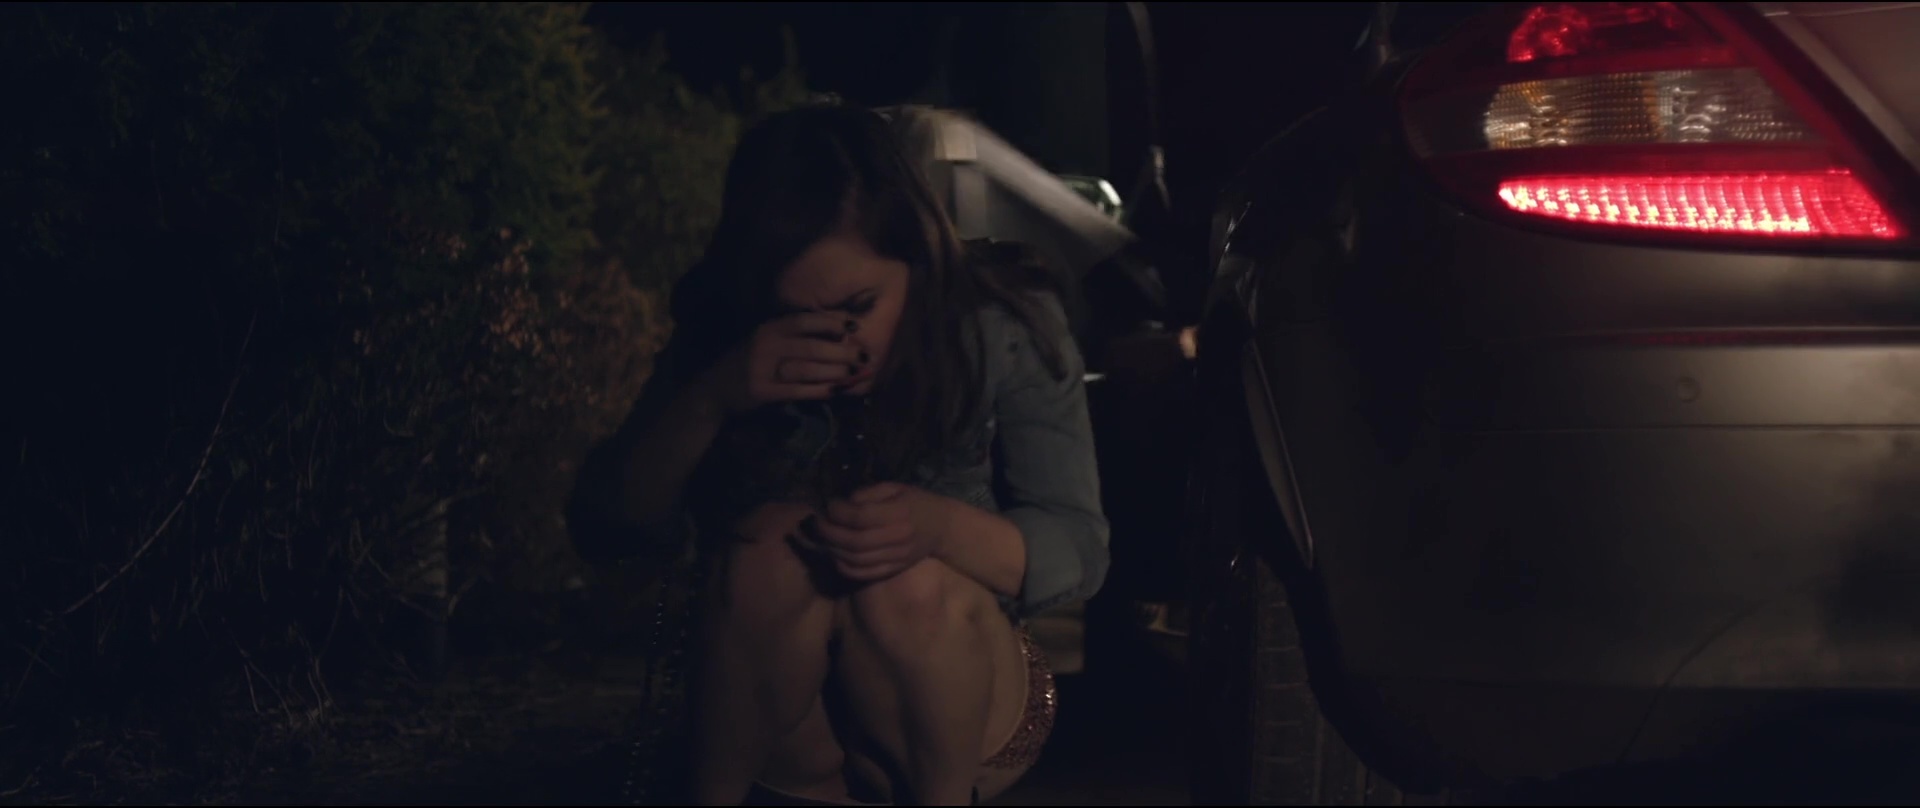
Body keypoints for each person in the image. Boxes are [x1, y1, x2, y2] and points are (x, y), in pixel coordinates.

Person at [568, 103, 1110, 806]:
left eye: (859, 305)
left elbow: (1079, 546)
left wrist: (936, 528)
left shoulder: (998, 321)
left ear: (918, 257)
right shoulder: (725, 334)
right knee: (772, 544)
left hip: (966, 710)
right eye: (795, 314)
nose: (834, 341)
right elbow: (609, 528)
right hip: (785, 728)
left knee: (901, 579)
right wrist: (712, 400)